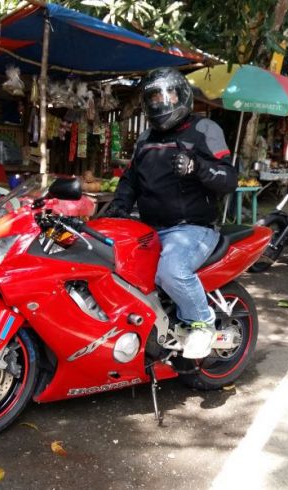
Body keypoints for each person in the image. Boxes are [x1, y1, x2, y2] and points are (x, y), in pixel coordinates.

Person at [106, 67, 237, 359]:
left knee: (171, 270)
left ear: (183, 95)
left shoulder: (205, 129)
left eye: (168, 95)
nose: (161, 102)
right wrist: (119, 207)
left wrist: (197, 166)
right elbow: (130, 180)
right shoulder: (145, 138)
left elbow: (229, 179)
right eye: (153, 97)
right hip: (149, 227)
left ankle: (202, 324)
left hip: (193, 228)